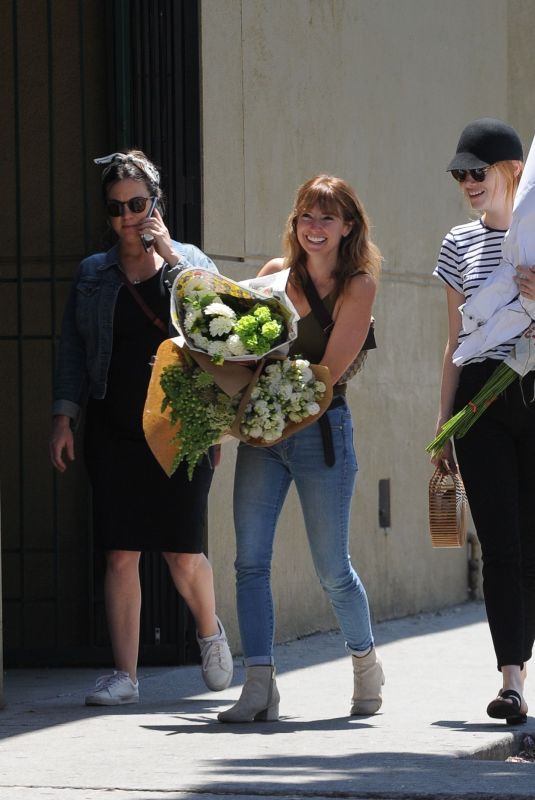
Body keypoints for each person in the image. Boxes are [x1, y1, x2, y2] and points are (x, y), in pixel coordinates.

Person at [49, 150, 233, 705]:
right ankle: (125, 676)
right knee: (120, 552)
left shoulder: (191, 260)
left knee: (182, 551)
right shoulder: (92, 275)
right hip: (114, 426)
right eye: (117, 208)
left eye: (137, 204)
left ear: (156, 204)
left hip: (182, 425)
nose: (129, 217)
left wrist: (170, 257)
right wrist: (64, 417)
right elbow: (74, 354)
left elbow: (218, 330)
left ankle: (209, 630)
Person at [218, 174, 384, 723]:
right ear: (295, 223)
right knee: (250, 562)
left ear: (348, 227)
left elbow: (326, 374)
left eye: (327, 218)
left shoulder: (358, 285)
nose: (315, 228)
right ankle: (259, 686)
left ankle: (365, 665)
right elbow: (237, 354)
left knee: (333, 567)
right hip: (262, 436)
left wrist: (262, 382)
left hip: (320, 433)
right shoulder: (270, 277)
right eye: (307, 217)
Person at [432, 118, 532, 725]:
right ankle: (512, 679)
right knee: (499, 544)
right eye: (459, 173)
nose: (467, 182)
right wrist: (442, 428)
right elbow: (453, 343)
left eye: (478, 170)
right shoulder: (456, 244)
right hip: (480, 400)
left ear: (514, 170)